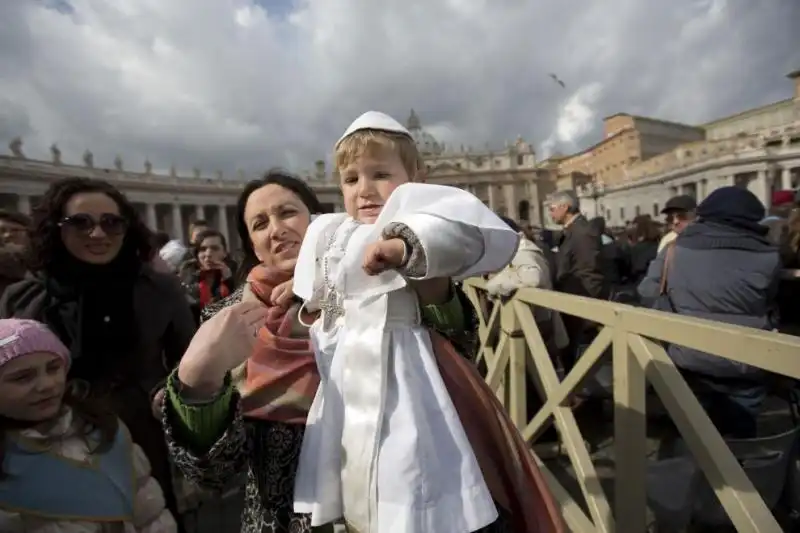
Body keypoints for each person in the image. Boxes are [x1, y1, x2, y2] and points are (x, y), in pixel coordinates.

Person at [164, 169, 485, 533]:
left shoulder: (387, 282)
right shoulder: (226, 321)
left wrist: (426, 278)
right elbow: (212, 472)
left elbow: (461, 347)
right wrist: (197, 384)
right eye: (259, 224)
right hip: (285, 520)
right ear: (252, 245)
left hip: (410, 502)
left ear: (318, 220)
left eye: (287, 213)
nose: (276, 229)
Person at [291, 111, 564, 532]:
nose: (364, 190)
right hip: (345, 378)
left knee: (409, 465)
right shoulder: (334, 231)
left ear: (417, 176)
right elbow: (322, 286)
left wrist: (405, 248)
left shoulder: (421, 218)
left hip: (403, 372)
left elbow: (452, 238)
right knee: (350, 470)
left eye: (380, 174)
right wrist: (302, 294)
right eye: (350, 180)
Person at [0, 177, 195, 526]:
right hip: (52, 441)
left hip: (141, 433)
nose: (98, 234)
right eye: (81, 223)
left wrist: (171, 390)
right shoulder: (23, 298)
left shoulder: (160, 289)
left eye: (111, 222)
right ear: (55, 228)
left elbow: (188, 359)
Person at [0, 318, 176, 532]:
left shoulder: (100, 428)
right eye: (22, 378)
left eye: (53, 368)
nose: (46, 385)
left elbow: (148, 513)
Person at [638, 187, 781, 438]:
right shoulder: (770, 256)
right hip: (746, 362)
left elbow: (647, 291)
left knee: (694, 438)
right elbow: (769, 302)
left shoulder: (674, 248)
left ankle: (698, 474)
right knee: (738, 439)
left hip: (689, 356)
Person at [179, 228, 236, 322]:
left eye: (215, 248)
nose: (208, 254)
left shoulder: (236, 272)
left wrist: (228, 280)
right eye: (203, 249)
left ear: (225, 252)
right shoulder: (187, 274)